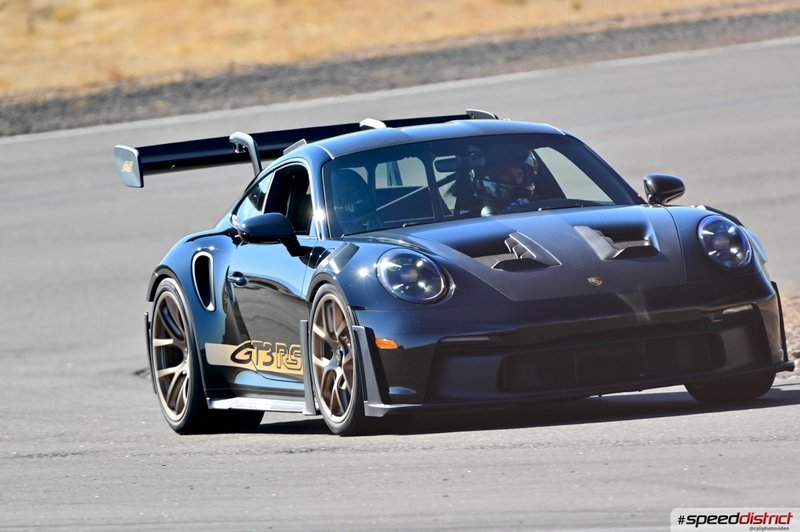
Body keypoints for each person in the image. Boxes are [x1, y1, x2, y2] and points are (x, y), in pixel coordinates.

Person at [474, 150, 539, 216]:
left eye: (520, 174)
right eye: (507, 174)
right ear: (496, 176)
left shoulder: (537, 205)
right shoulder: (482, 211)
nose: (517, 180)